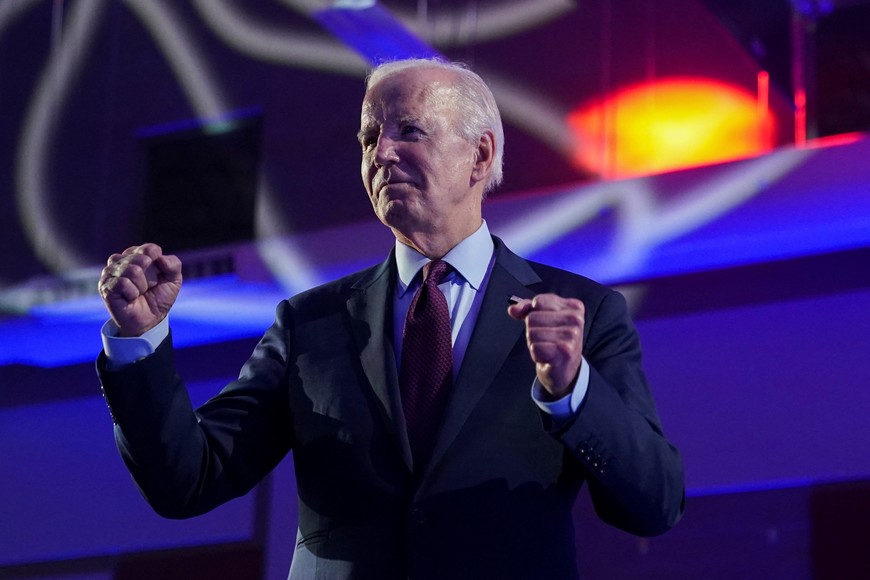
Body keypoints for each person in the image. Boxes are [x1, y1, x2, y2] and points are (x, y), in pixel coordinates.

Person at [97, 58, 684, 579]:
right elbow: (189, 478)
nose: (381, 152)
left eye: (409, 131)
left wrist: (571, 391)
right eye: (370, 136)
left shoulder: (584, 313)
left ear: (479, 155)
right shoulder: (309, 323)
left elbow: (654, 503)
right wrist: (137, 341)